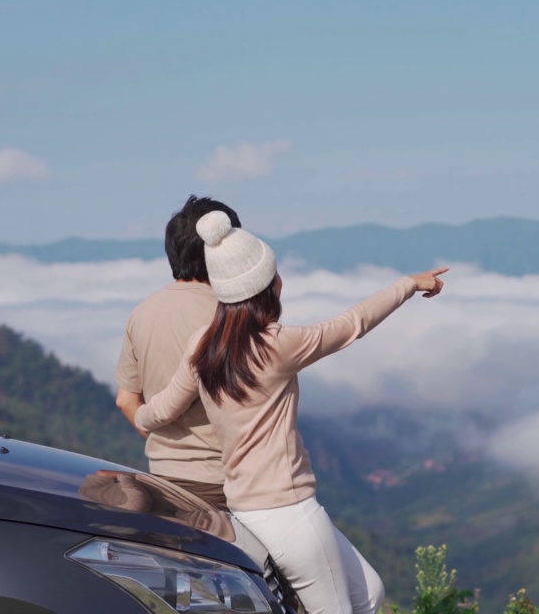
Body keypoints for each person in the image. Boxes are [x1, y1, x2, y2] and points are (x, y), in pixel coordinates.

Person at [136, 210, 447, 614]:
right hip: (289, 511)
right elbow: (352, 324)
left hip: (247, 508)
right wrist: (408, 284)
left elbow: (161, 409)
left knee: (369, 593)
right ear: (267, 286)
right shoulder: (277, 344)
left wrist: (138, 416)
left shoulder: (203, 345)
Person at [114, 195, 241, 510]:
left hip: (164, 482)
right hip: (229, 486)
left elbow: (126, 400)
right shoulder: (235, 317)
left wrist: (172, 448)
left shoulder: (141, 313)